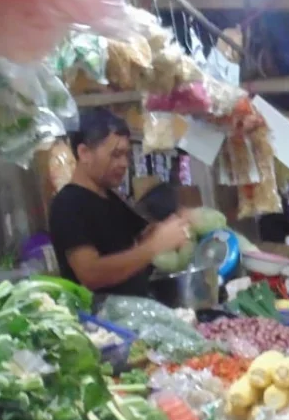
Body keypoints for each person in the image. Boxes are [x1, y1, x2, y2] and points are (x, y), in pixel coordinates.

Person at [49, 109, 192, 297]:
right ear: (84, 153)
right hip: (102, 322)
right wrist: (153, 247)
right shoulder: (67, 205)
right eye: (116, 155)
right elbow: (91, 274)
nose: (124, 163)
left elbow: (140, 238)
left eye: (126, 155)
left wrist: (173, 226)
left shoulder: (110, 197)